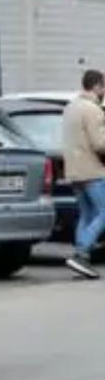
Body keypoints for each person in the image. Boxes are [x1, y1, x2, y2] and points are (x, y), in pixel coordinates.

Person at [61, 69, 105, 279]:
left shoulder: (70, 107)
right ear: (97, 86)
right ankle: (81, 253)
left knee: (87, 214)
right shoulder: (93, 110)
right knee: (104, 212)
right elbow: (100, 143)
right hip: (93, 170)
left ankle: (82, 259)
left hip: (75, 171)